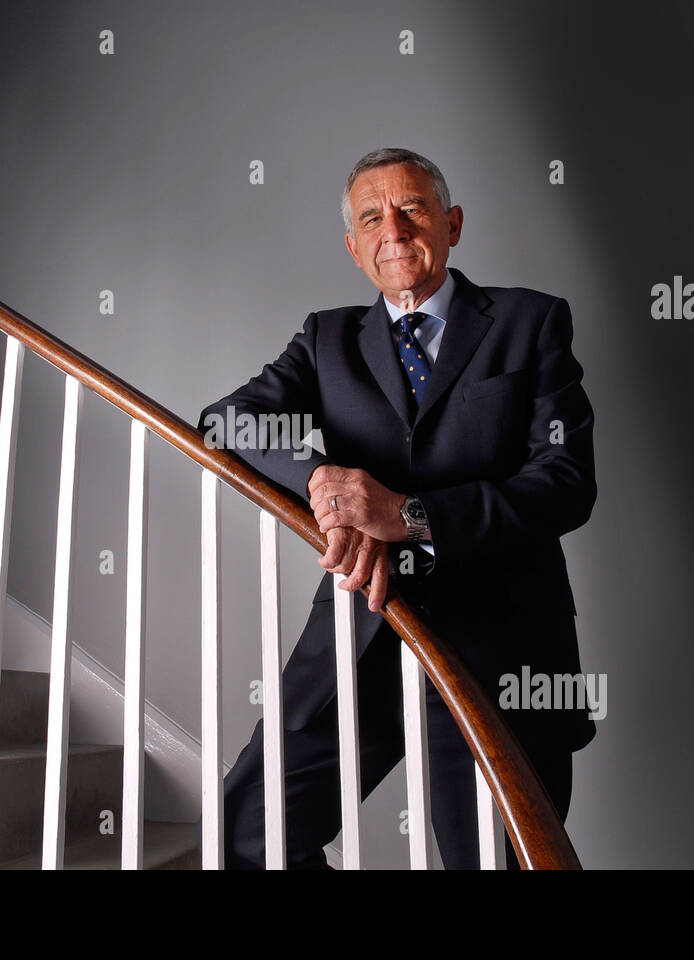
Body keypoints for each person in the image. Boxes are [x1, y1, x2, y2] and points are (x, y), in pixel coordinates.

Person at [198, 148, 597, 869]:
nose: (395, 229)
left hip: (500, 654)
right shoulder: (326, 339)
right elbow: (227, 419)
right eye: (371, 217)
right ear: (354, 248)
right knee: (248, 835)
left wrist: (410, 515)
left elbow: (567, 480)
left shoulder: (529, 321)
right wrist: (329, 485)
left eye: (412, 209)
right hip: (362, 642)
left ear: (451, 223)